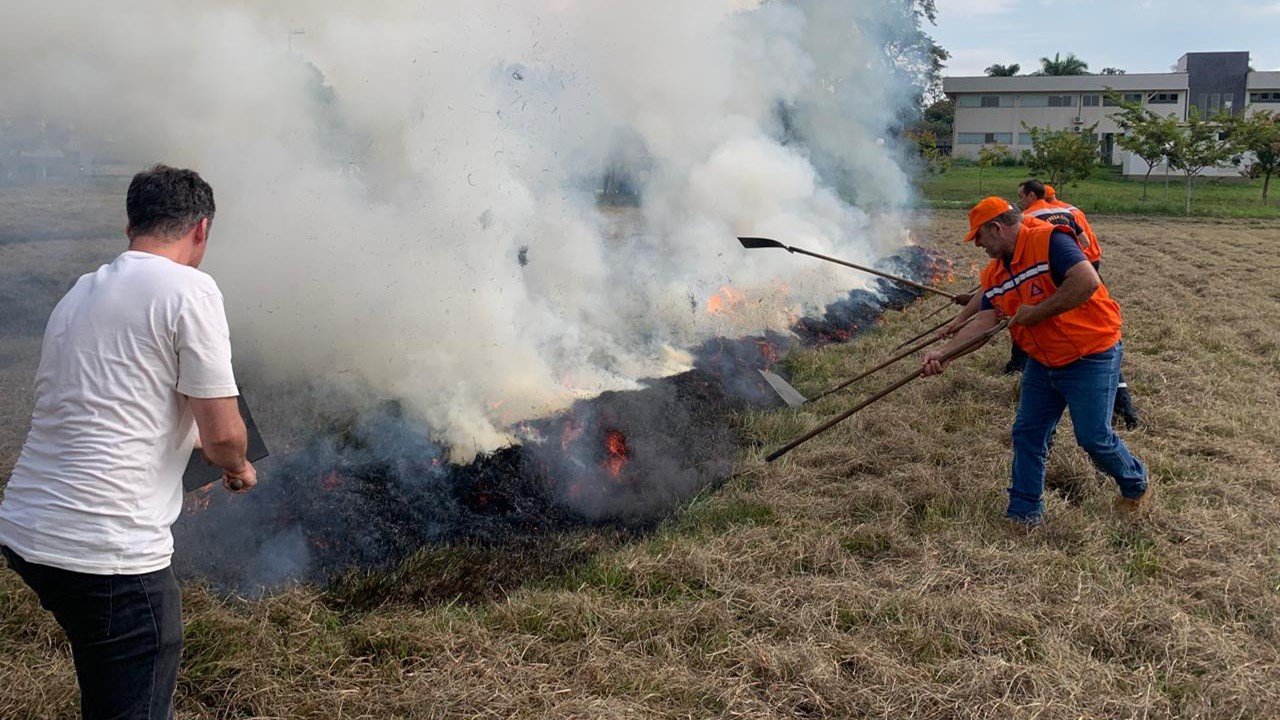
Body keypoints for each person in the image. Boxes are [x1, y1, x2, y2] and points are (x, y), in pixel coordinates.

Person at [0, 164, 257, 720]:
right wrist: (237, 468)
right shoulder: (190, 288)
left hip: (27, 529)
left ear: (129, 228)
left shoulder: (81, 291)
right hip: (108, 552)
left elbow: (110, 403)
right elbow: (223, 437)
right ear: (202, 230)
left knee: (105, 667)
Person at [922, 197, 1150, 526]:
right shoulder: (995, 273)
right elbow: (985, 324)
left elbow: (1087, 281)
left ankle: (1135, 485)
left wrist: (1036, 313)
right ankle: (1024, 514)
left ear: (996, 228)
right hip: (1043, 362)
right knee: (1028, 433)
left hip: (1090, 353)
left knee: (1093, 437)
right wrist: (945, 356)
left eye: (979, 237)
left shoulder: (1050, 241)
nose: (979, 245)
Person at [1017, 180, 1140, 428]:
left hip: (1062, 277)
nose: (1019, 200)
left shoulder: (1028, 217)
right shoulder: (1070, 211)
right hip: (1088, 269)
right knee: (1101, 336)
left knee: (1081, 337)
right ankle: (1125, 406)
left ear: (1033, 195)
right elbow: (1084, 242)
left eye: (1021, 196)